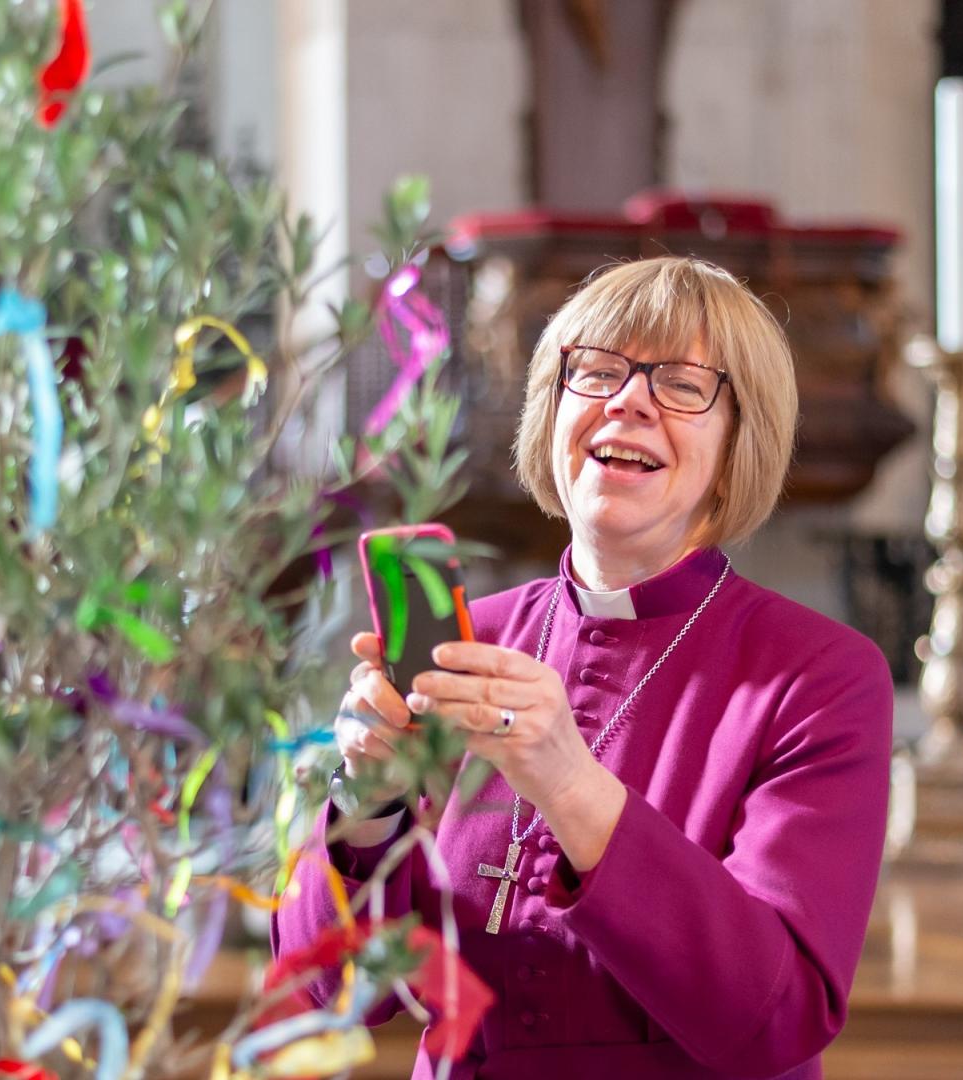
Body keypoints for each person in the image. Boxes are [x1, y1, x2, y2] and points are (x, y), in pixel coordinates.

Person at [274, 256, 894, 1079]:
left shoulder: (818, 677)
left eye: (679, 383)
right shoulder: (476, 642)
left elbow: (777, 1018)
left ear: (740, 440)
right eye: (596, 371)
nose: (626, 400)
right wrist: (368, 801)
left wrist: (570, 787)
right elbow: (327, 986)